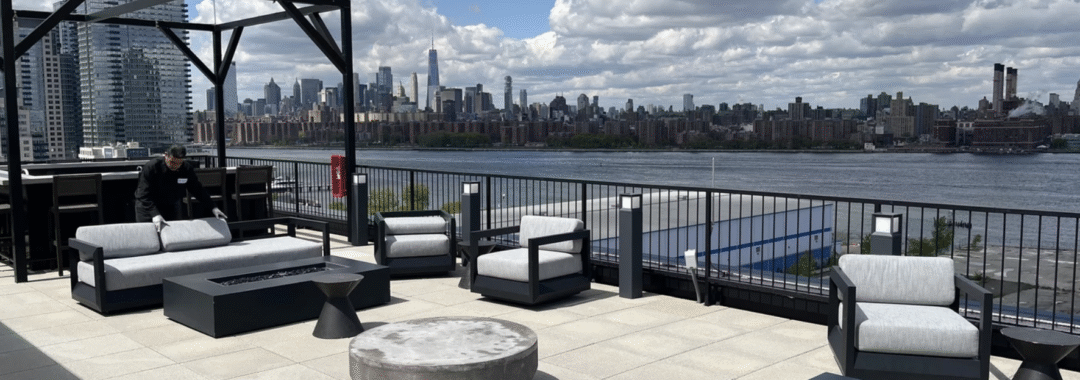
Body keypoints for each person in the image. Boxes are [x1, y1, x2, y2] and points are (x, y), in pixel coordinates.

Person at [134, 145, 226, 231]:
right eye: (173, 162)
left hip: (170, 205)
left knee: (172, 236)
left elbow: (197, 189)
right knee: (148, 237)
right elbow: (143, 194)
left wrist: (213, 207)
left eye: (179, 163)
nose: (175, 166)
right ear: (166, 156)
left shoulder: (186, 168)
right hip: (147, 206)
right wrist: (155, 214)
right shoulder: (152, 167)